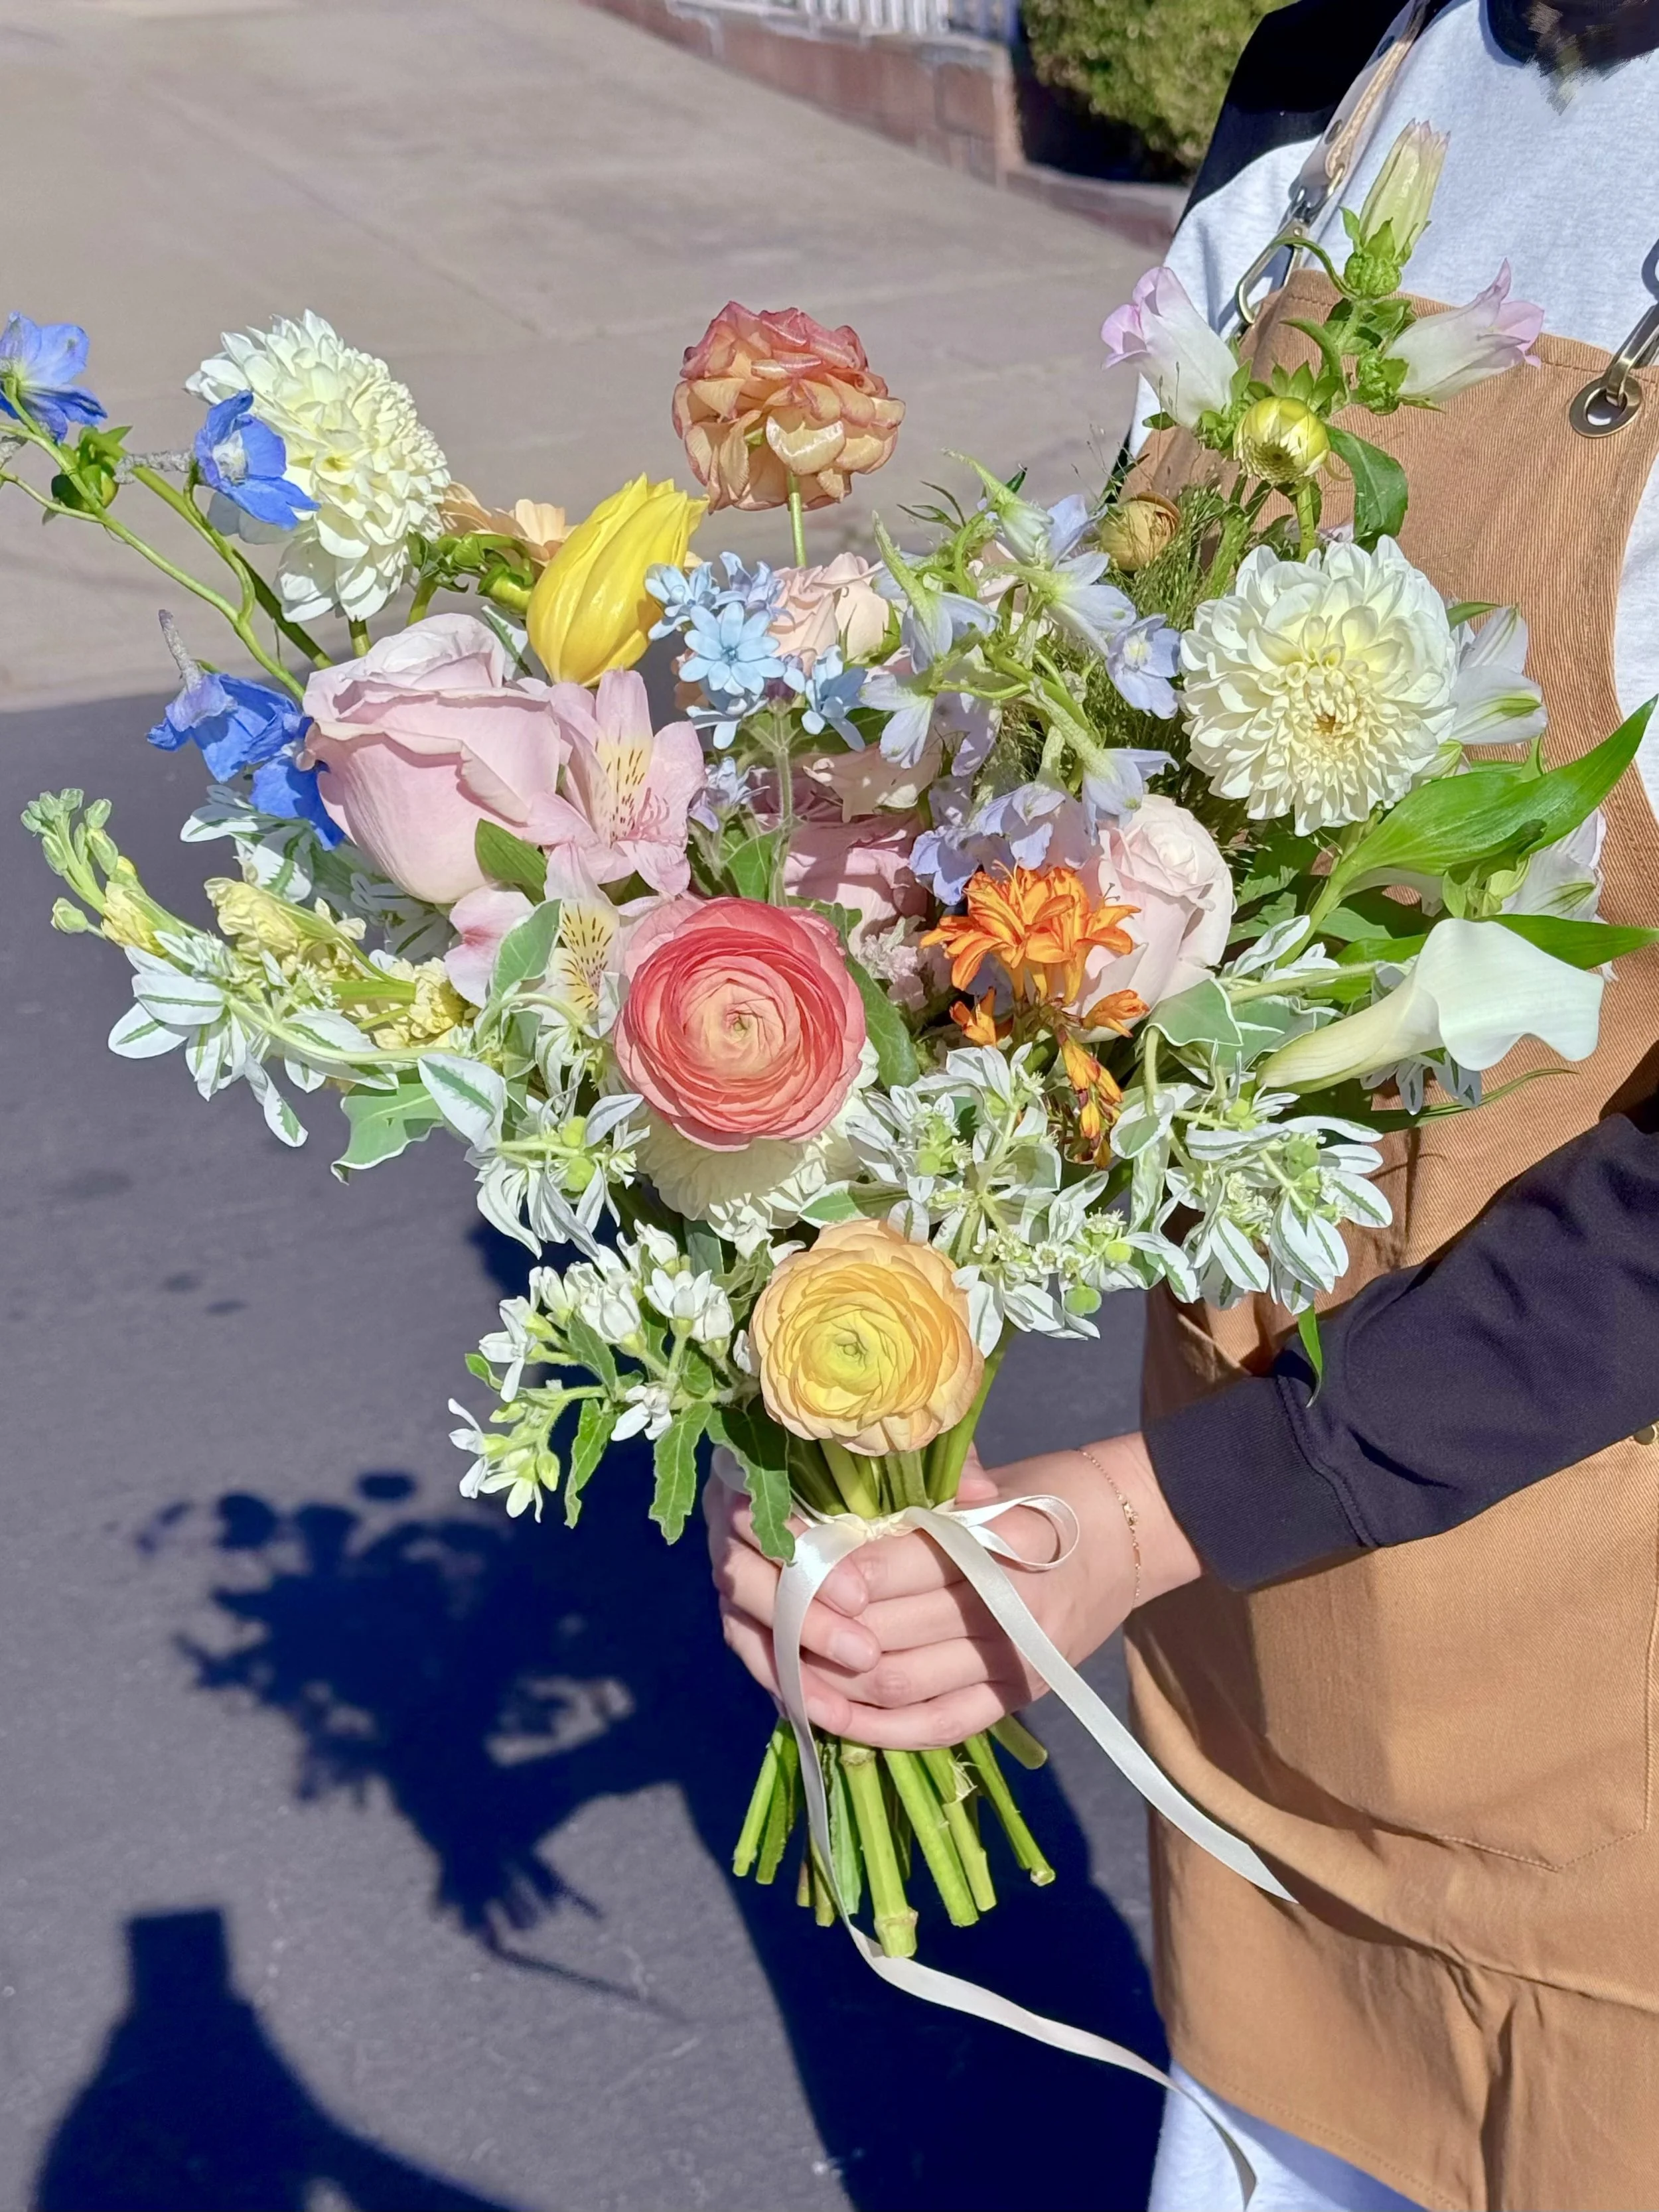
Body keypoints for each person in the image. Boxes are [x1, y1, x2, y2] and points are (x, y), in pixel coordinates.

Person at [708, 3, 1659, 2205]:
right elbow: (1114, 813)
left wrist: (1148, 1515)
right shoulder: (1353, 70)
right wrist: (862, 1342)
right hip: (1262, 1663)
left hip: (1591, 1687)